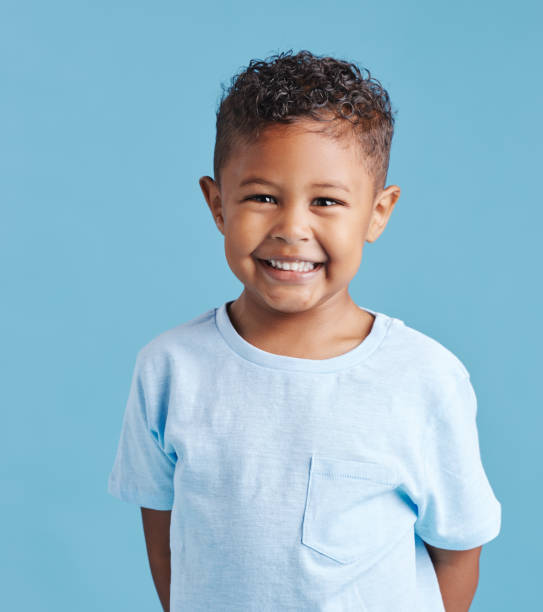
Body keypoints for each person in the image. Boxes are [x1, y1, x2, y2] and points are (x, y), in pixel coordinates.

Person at [107, 49, 502, 612]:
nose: (292, 228)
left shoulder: (424, 378)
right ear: (217, 204)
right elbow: (166, 545)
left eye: (326, 201)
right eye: (262, 197)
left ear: (377, 213)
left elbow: (458, 555)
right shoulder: (169, 369)